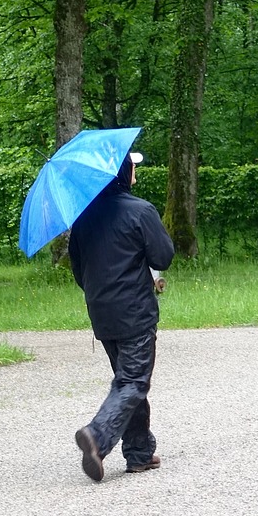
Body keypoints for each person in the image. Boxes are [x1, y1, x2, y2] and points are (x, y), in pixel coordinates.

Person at [69, 150, 174, 482]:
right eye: (133, 168)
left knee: (126, 380)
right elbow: (164, 255)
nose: (135, 173)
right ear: (124, 172)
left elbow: (77, 270)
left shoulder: (83, 218)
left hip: (101, 312)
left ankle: (140, 452)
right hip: (135, 311)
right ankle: (97, 437)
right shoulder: (141, 211)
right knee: (133, 381)